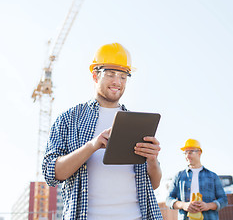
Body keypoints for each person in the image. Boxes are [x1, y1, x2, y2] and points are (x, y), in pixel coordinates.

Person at [42, 43, 163, 220]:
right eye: (111, 74)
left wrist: (153, 160)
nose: (117, 82)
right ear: (95, 75)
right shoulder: (69, 119)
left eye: (123, 76)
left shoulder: (137, 123)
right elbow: (51, 173)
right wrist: (93, 145)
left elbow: (154, 184)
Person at [166, 139, 228, 220]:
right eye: (185, 153)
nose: (187, 156)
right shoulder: (179, 176)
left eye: (190, 152)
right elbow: (168, 199)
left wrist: (208, 206)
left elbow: (223, 200)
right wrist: (183, 205)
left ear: (199, 152)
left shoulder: (213, 176)